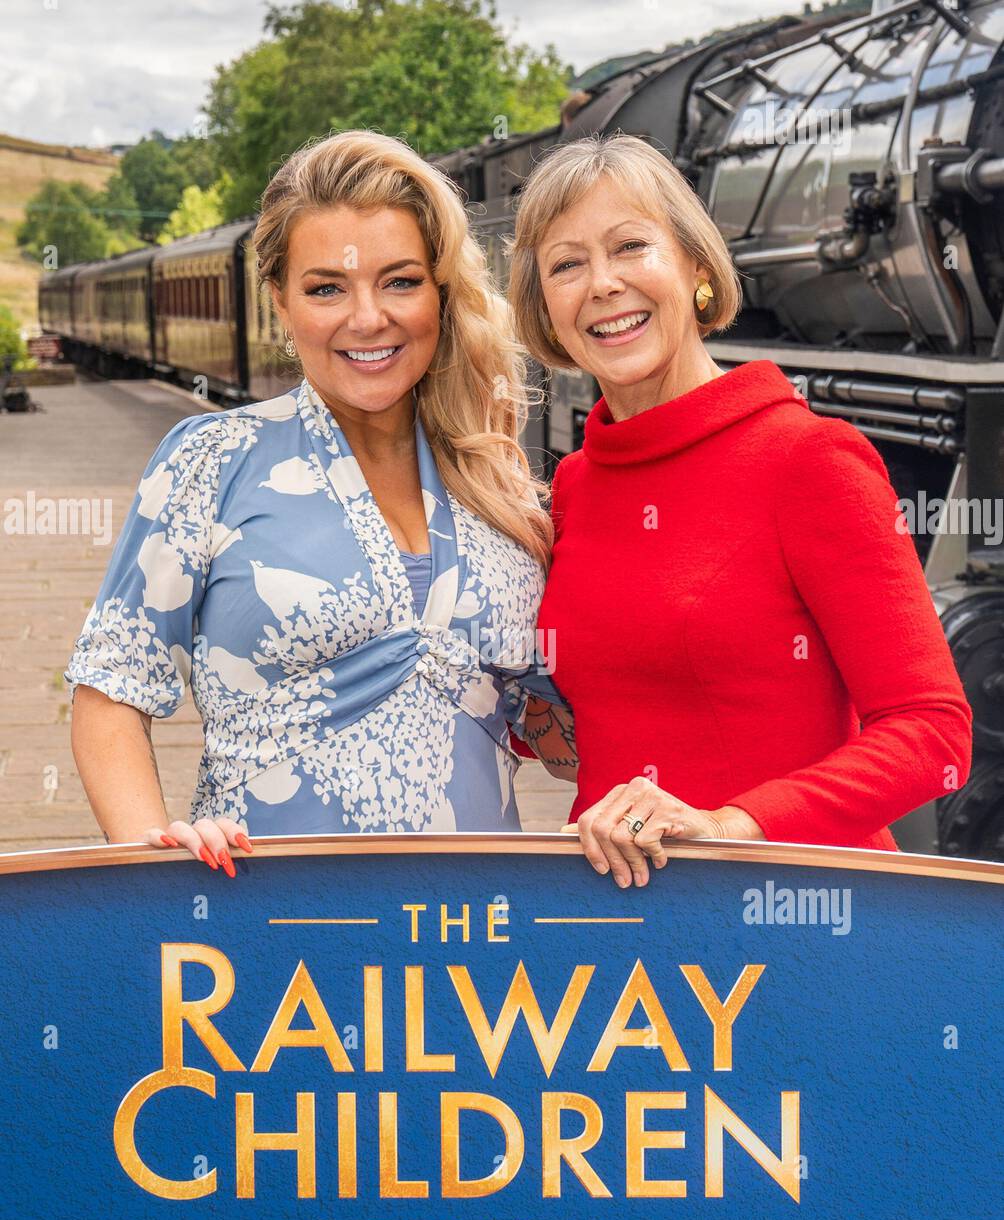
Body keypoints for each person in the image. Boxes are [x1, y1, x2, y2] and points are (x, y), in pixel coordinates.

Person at [65, 130, 575, 874]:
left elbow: (553, 735)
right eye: (326, 288)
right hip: (269, 933)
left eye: (400, 281)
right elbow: (110, 692)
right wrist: (155, 860)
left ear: (441, 291)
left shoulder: (498, 486)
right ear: (280, 302)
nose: (367, 318)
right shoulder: (213, 460)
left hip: (473, 938)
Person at [506, 133, 972, 889]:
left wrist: (727, 824)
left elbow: (933, 731)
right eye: (567, 264)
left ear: (694, 265)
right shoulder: (578, 486)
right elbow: (600, 715)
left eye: (631, 247)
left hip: (787, 915)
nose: (602, 284)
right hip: (619, 921)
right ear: (546, 306)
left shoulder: (809, 460)